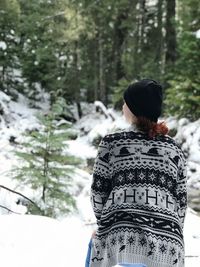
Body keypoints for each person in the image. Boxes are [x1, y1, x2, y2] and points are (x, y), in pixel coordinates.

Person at [88, 79, 187, 267]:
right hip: (168, 248)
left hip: (121, 239)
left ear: (133, 108)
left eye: (126, 102)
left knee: (95, 246)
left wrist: (105, 225)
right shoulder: (175, 149)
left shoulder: (111, 143)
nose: (123, 106)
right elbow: (181, 204)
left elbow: (98, 195)